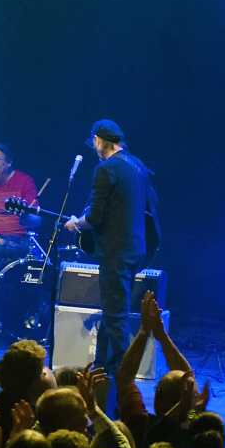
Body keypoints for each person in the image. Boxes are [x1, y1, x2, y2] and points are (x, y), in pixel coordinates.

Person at [65, 120, 159, 377]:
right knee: (113, 309)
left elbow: (95, 217)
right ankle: (101, 367)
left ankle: (122, 379)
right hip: (136, 249)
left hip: (115, 251)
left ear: (98, 140)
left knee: (116, 316)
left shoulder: (106, 168)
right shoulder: (137, 165)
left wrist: (76, 223)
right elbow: (152, 204)